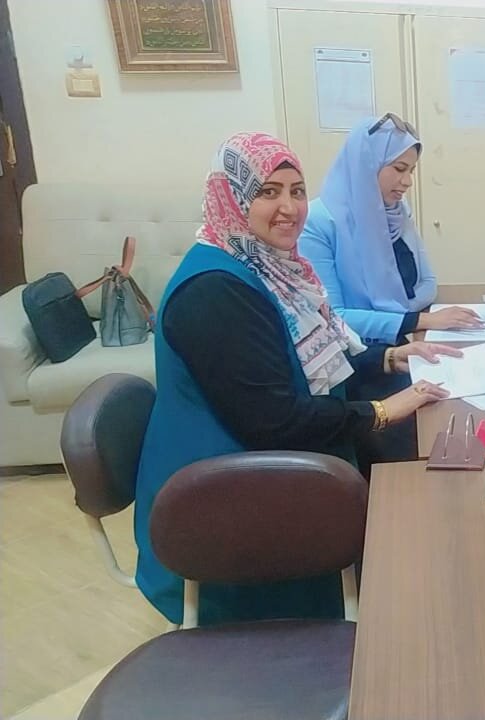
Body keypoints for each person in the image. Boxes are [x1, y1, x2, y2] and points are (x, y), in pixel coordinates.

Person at [135, 132, 458, 626]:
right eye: (268, 192)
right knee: (411, 467)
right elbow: (275, 420)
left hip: (269, 462)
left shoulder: (266, 265)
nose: (289, 208)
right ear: (232, 196)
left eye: (297, 190)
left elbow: (310, 356)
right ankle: (394, 623)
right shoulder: (214, 291)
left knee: (417, 452)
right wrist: (378, 412)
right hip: (224, 502)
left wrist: (389, 357)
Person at [299, 113, 482, 345]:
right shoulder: (317, 222)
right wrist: (418, 320)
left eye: (411, 171)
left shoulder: (396, 211)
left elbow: (427, 283)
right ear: (366, 165)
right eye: (399, 168)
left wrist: (408, 318)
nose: (407, 181)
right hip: (355, 352)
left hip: (401, 340)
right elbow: (333, 317)